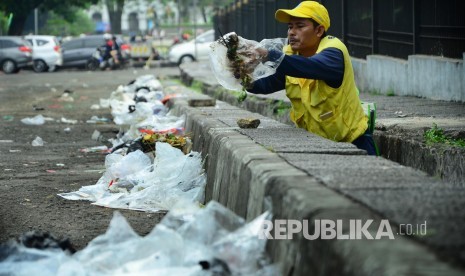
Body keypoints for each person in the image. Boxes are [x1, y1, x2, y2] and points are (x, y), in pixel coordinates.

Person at [244, 1, 377, 155]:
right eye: (290, 26)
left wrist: (268, 55)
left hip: (354, 146)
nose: (292, 32)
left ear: (319, 30)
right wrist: (242, 75)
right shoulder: (291, 56)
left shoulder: (334, 52)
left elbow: (309, 67)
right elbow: (267, 84)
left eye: (300, 26)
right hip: (317, 146)